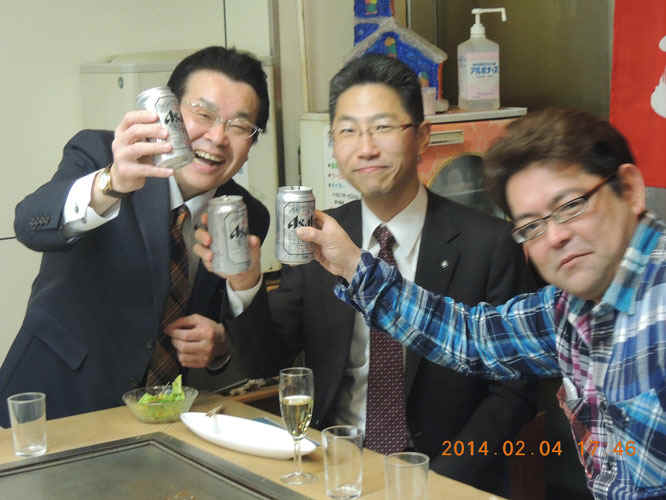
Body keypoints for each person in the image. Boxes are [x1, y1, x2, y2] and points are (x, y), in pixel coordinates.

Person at [195, 53, 537, 496]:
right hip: (334, 469)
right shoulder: (316, 235)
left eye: (383, 127)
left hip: (444, 475)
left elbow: (514, 391)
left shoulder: (489, 244)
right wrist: (244, 282)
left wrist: (438, 479)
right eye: (348, 131)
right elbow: (265, 361)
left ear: (422, 137)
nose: (366, 148)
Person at [299, 108, 666, 499]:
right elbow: (472, 337)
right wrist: (353, 265)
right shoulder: (572, 308)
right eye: (532, 226)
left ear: (629, 189)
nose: (555, 236)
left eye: (572, 205)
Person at [0, 46, 273, 427]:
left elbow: (256, 353)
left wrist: (222, 342)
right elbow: (29, 224)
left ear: (252, 142)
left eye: (239, 126)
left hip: (159, 423)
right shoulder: (100, 154)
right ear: (169, 112)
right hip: (53, 406)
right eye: (203, 114)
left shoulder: (248, 214)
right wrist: (111, 182)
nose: (216, 137)